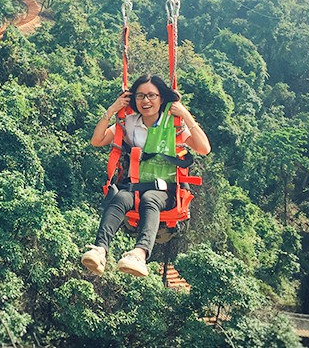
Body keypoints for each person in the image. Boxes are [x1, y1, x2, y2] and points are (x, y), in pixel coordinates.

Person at [81, 74, 211, 277]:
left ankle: (140, 254)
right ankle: (100, 250)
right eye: (140, 96)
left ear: (161, 98)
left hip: (165, 191)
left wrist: (185, 114)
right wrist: (112, 110)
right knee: (119, 198)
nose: (146, 101)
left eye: (152, 95)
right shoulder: (130, 122)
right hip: (135, 187)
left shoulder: (173, 125)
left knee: (150, 199)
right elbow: (97, 140)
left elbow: (204, 148)